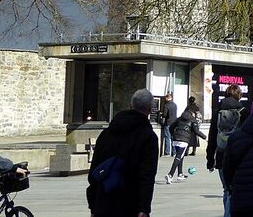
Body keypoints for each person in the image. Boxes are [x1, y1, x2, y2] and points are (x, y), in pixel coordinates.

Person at [86, 88, 159, 217]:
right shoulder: (148, 136)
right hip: (130, 202)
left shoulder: (106, 133)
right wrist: (144, 208)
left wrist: (93, 205)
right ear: (149, 109)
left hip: (103, 201)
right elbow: (146, 175)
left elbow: (94, 171)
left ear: (131, 105)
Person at [206, 83, 246, 217]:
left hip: (221, 155)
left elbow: (212, 136)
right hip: (239, 157)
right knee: (236, 191)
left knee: (226, 190)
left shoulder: (218, 112)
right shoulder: (244, 112)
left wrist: (210, 159)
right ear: (239, 95)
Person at [165, 106, 206, 183]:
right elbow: (196, 131)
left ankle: (180, 174)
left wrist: (173, 135)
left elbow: (171, 127)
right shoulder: (193, 120)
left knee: (180, 156)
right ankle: (170, 175)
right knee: (178, 157)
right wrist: (205, 137)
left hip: (175, 140)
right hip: (183, 141)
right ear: (192, 113)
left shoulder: (179, 118)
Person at [159, 92, 177, 156]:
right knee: (173, 138)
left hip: (168, 123)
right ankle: (174, 152)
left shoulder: (166, 105)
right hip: (174, 123)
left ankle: (167, 152)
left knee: (167, 137)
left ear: (167, 98)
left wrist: (161, 114)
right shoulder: (175, 105)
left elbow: (165, 115)